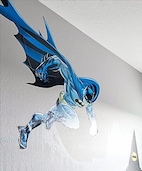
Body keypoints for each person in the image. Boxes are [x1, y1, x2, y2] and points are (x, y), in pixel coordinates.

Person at [1, 0, 100, 149]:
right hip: (63, 104)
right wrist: (44, 66)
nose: (84, 98)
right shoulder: (74, 82)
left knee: (45, 118)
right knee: (75, 123)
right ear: (85, 88)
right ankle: (51, 117)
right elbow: (59, 62)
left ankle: (26, 130)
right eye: (84, 94)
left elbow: (91, 114)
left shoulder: (89, 101)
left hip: (64, 108)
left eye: (86, 98)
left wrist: (94, 126)